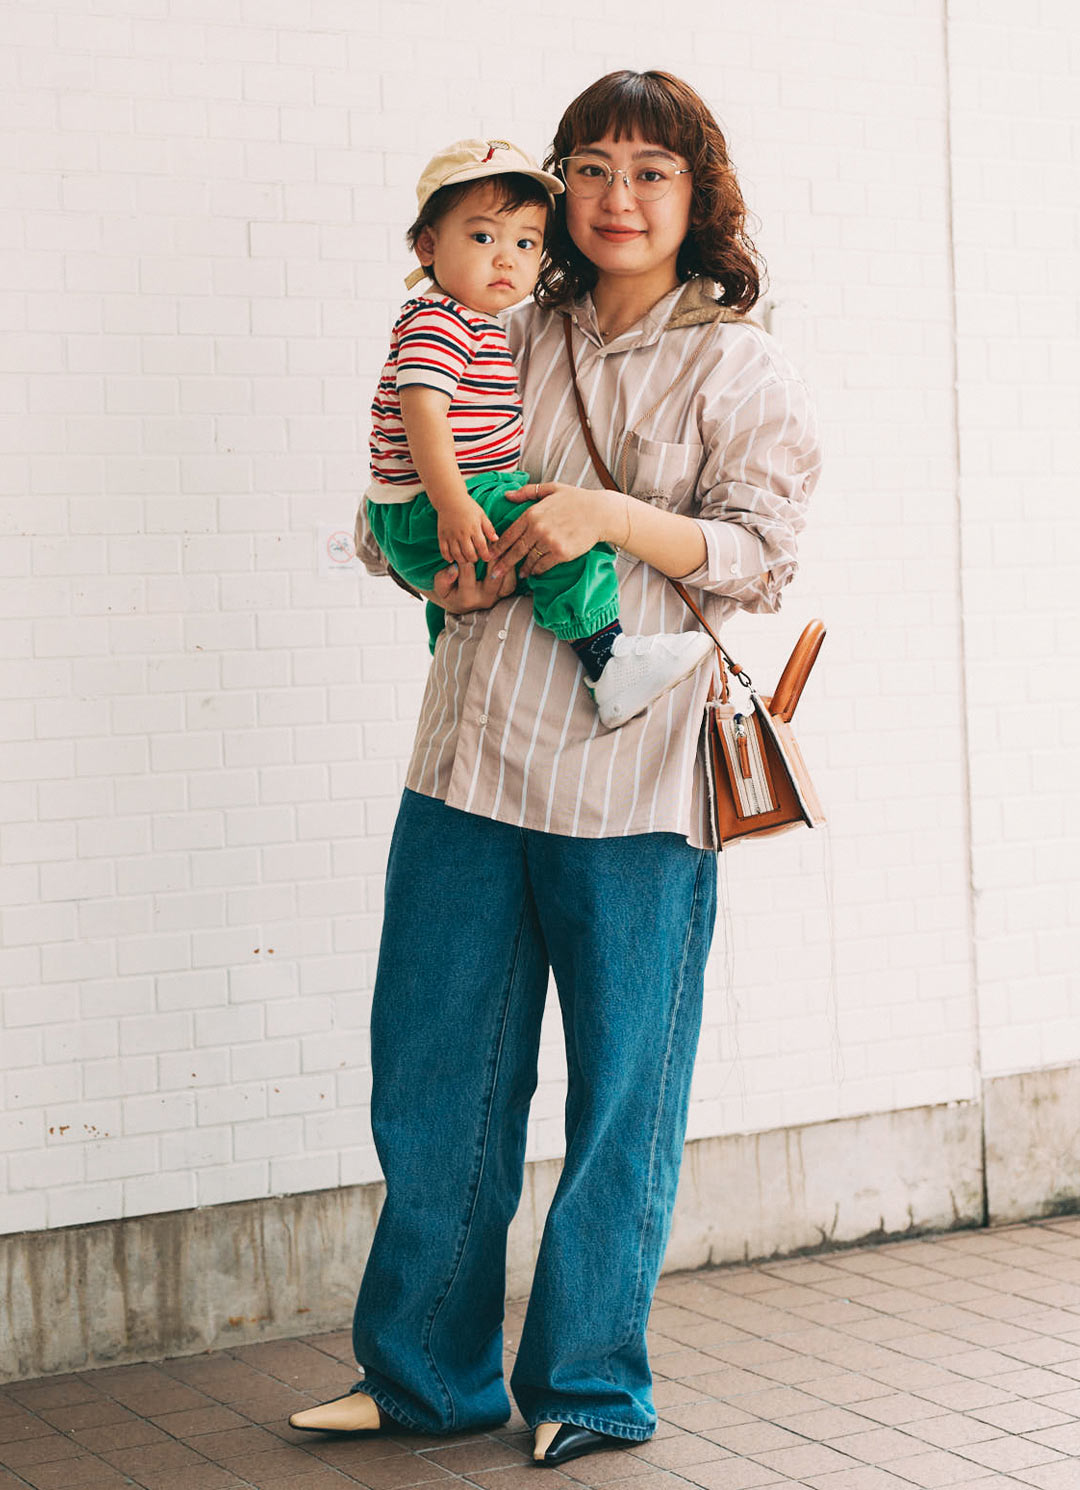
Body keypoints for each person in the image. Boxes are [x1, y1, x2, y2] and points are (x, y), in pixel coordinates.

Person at [289, 69, 822, 1467]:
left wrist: (605, 514)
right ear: (559, 189)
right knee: (433, 1084)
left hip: (635, 779)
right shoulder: (499, 320)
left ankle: (589, 1387)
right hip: (468, 757)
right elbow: (393, 484)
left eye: (651, 171)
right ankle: (424, 1378)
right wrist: (417, 553)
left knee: (619, 1101)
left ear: (697, 195)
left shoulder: (739, 365)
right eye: (591, 167)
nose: (617, 198)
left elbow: (762, 555)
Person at [365, 137, 713, 728]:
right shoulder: (441, 320)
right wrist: (451, 506)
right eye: (482, 238)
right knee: (558, 535)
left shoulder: (476, 322)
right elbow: (420, 414)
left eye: (525, 243)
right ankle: (609, 660)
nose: (506, 259)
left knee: (541, 531)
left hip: (444, 506)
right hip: (440, 503)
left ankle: (455, 642)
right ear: (427, 245)